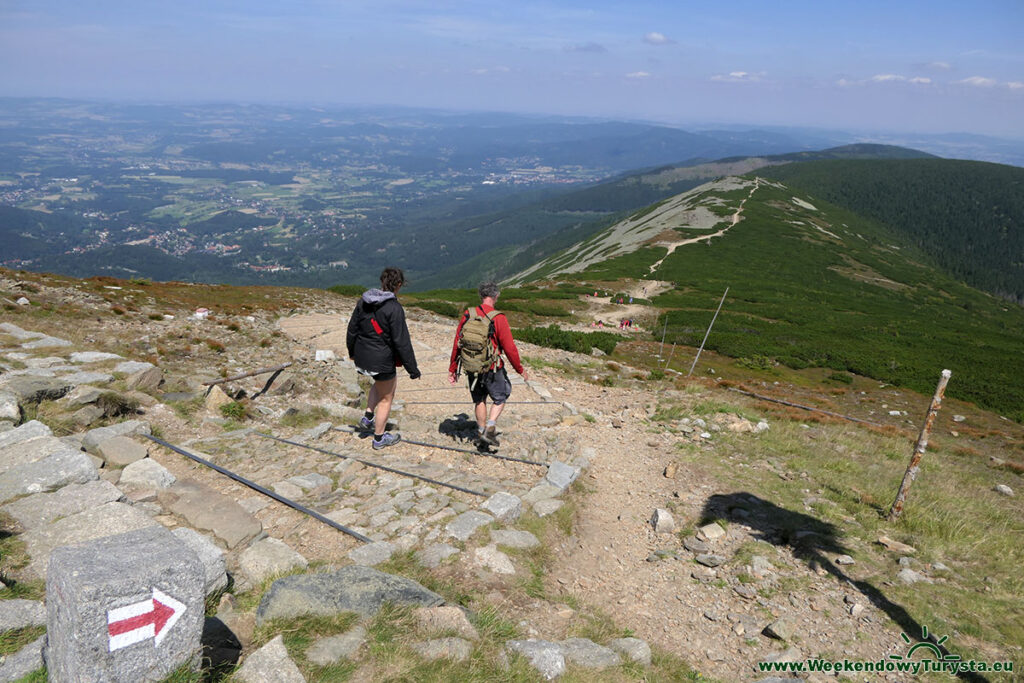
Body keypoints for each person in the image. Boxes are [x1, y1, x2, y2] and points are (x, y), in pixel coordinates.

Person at [346, 266, 420, 449]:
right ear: (399, 285)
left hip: (363, 357)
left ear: (381, 281)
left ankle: (368, 416)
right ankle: (379, 439)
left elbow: (352, 329)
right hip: (381, 360)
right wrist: (412, 369)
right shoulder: (394, 308)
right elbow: (402, 342)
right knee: (387, 397)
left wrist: (352, 353)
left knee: (378, 384)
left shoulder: (363, 302)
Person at [448, 282, 528, 447]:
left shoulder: (468, 314)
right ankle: (490, 429)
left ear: (481, 295)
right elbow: (510, 348)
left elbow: (457, 342)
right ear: (496, 296)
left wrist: (453, 368)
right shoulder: (498, 317)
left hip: (471, 365)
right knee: (501, 396)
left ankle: (480, 432)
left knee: (479, 399)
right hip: (492, 366)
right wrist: (520, 369)